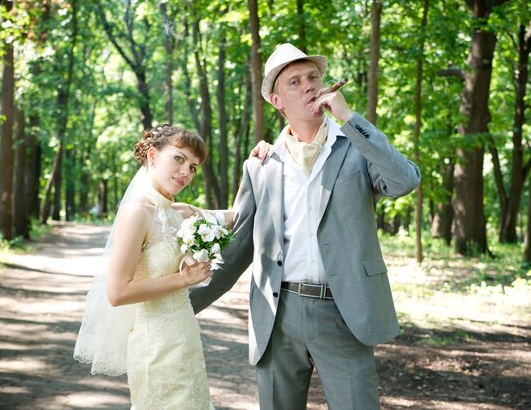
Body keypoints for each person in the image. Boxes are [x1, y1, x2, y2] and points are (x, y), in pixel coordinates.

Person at [189, 43, 421, 410]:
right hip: (278, 315)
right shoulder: (261, 165)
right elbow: (238, 250)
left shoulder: (358, 147)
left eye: (313, 77)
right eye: (294, 82)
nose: (309, 86)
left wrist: (351, 119)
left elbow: (404, 181)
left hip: (346, 312)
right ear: (277, 101)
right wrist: (181, 303)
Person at [74, 125, 239, 410]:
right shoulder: (136, 213)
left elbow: (237, 216)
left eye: (193, 167)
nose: (186, 172)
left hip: (186, 339)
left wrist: (259, 161)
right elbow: (117, 292)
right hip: (155, 347)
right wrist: (183, 278)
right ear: (152, 155)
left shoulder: (182, 212)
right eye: (178, 159)